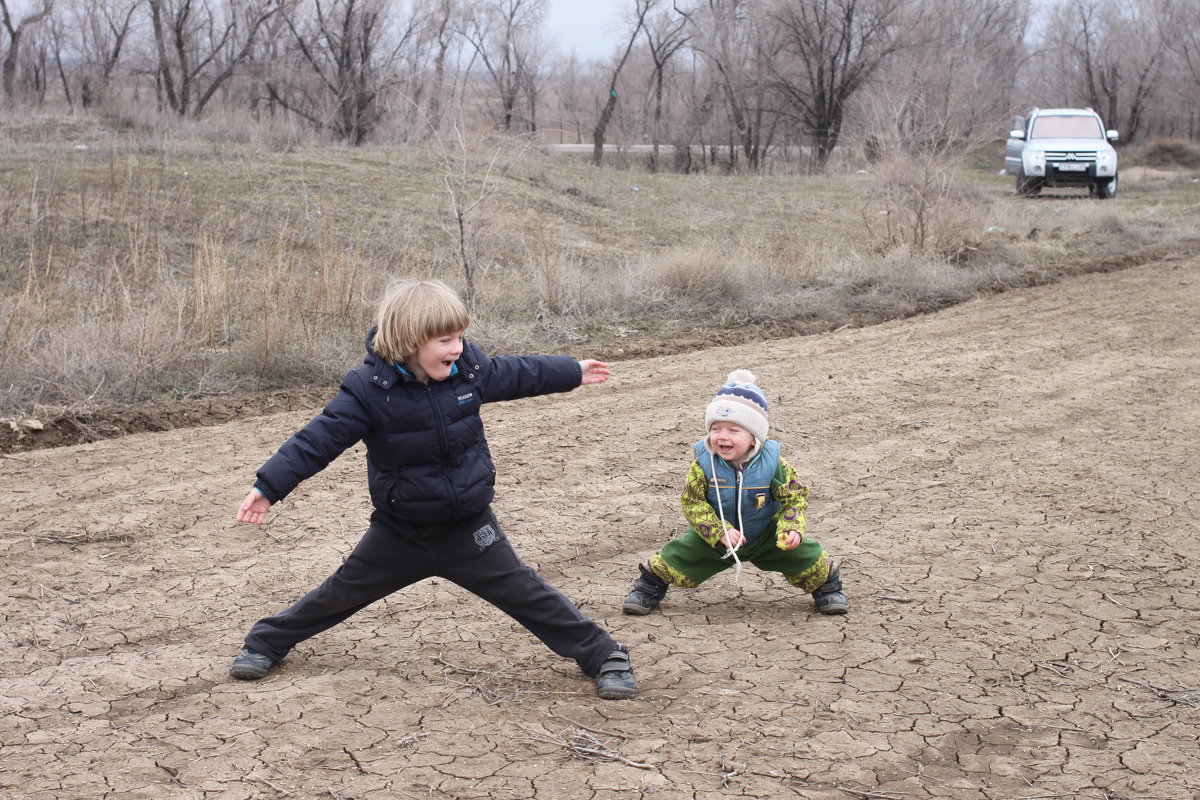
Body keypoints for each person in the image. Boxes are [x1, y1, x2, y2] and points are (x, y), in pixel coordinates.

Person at [230, 278, 635, 700]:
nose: (457, 347)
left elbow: (519, 373)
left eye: (460, 336)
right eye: (445, 339)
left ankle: (604, 655)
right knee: (340, 593)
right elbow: (317, 439)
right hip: (400, 532)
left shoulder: (470, 372)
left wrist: (571, 371)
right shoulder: (369, 390)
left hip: (468, 528)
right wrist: (268, 486)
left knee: (526, 592)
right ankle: (265, 642)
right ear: (410, 339)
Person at [622, 369, 848, 617]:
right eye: (716, 428)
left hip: (765, 534)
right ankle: (648, 588)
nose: (722, 436)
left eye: (733, 430)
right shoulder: (703, 464)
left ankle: (827, 587)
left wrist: (790, 528)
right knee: (676, 555)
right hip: (716, 537)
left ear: (754, 437)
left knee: (808, 555)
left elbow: (794, 498)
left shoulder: (774, 464)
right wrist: (719, 531)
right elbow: (692, 502)